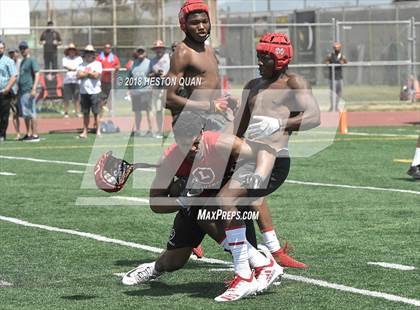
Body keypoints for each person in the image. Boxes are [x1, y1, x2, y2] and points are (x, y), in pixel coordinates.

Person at [121, 111, 280, 298]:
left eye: (195, 143)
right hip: (196, 203)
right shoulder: (170, 159)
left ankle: (259, 265)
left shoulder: (218, 142)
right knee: (174, 261)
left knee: (217, 207)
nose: (192, 150)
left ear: (202, 133)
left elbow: (265, 152)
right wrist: (184, 200)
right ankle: (154, 267)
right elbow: (155, 203)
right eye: (185, 145)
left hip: (229, 197)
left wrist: (258, 176)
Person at [213, 32, 321, 301]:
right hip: (248, 156)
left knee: (226, 200)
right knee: (229, 204)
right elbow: (238, 126)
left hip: (273, 158)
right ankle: (258, 267)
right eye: (259, 55)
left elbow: (315, 116)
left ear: (281, 59)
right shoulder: (252, 84)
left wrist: (280, 124)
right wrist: (217, 142)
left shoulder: (293, 82)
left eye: (266, 57)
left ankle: (248, 273)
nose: (260, 61)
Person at [77, 45, 102, 138]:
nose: (89, 54)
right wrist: (90, 73)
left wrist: (85, 73)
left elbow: (96, 75)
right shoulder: (81, 64)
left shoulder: (98, 64)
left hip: (95, 92)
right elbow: (78, 75)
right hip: (84, 92)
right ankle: (85, 131)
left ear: (93, 54)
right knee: (85, 113)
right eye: (87, 52)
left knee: (96, 112)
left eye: (90, 53)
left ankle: (98, 130)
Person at [18, 41, 40, 142]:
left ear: (28, 49)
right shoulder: (22, 61)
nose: (22, 50)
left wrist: (34, 88)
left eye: (24, 48)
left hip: (29, 90)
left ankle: (35, 135)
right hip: (22, 91)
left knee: (31, 113)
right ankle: (28, 133)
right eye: (21, 48)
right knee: (26, 114)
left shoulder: (32, 60)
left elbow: (37, 74)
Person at [128, 46, 152, 136]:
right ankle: (138, 130)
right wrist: (129, 90)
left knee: (148, 111)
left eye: (142, 51)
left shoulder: (150, 63)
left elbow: (154, 76)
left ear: (145, 53)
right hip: (136, 91)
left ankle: (150, 130)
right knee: (137, 112)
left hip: (146, 90)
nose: (141, 53)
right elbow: (129, 77)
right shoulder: (133, 64)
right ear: (137, 53)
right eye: (139, 51)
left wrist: (152, 86)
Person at [149, 40, 170, 138]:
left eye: (160, 48)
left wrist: (166, 75)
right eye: (156, 49)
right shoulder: (152, 61)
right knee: (158, 110)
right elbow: (149, 74)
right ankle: (160, 130)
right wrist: (155, 74)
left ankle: (175, 131)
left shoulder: (169, 58)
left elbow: (175, 71)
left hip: (169, 88)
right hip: (157, 88)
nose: (158, 50)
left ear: (163, 49)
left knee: (173, 110)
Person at [0, 40, 17, 143]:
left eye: (1, 48)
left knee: (4, 115)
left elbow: (14, 76)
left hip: (4, 93)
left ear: (4, 49)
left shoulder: (8, 61)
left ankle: (2, 135)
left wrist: (7, 89)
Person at [96, 43, 120, 113]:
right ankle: (101, 109)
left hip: (111, 81)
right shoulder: (99, 57)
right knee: (101, 96)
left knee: (111, 96)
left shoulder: (114, 57)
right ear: (103, 49)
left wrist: (115, 68)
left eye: (109, 48)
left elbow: (118, 66)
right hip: (101, 81)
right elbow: (96, 65)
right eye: (106, 48)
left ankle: (111, 110)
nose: (107, 49)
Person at [325, 42, 347, 112]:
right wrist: (328, 63)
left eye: (338, 48)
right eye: (335, 48)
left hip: (339, 77)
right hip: (333, 78)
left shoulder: (342, 56)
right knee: (332, 93)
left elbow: (346, 62)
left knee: (339, 92)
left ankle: (336, 106)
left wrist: (344, 61)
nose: (337, 49)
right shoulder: (330, 55)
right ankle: (332, 107)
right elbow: (326, 62)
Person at [62, 43, 83, 118]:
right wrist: (73, 69)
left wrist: (76, 71)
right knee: (66, 98)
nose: (72, 51)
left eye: (73, 50)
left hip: (76, 81)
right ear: (68, 51)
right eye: (70, 50)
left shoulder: (79, 59)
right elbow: (65, 66)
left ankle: (77, 112)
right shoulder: (65, 58)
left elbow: (80, 67)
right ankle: (66, 112)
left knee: (77, 98)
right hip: (67, 81)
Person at [7, 48, 21, 140]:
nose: (12, 55)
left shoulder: (21, 63)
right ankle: (18, 133)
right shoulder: (7, 63)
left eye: (14, 53)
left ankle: (31, 133)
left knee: (28, 113)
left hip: (21, 91)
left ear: (17, 53)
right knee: (14, 113)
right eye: (11, 53)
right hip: (11, 91)